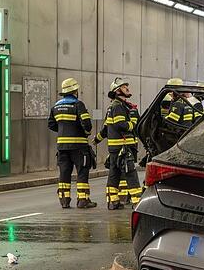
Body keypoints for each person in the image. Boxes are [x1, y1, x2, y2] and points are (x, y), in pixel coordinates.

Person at [94, 78, 143, 210]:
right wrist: (133, 123)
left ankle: (113, 201)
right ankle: (137, 202)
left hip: (115, 148)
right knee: (131, 173)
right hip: (122, 147)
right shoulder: (118, 106)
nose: (127, 88)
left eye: (127, 85)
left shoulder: (115, 106)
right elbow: (120, 124)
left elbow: (106, 129)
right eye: (124, 86)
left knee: (114, 173)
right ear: (117, 91)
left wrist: (96, 139)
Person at [48, 78, 97, 209]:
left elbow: (51, 125)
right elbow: (87, 124)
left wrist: (64, 131)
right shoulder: (78, 105)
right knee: (82, 171)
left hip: (62, 147)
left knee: (64, 172)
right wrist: (85, 132)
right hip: (79, 146)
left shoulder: (56, 107)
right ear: (75, 91)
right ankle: (83, 200)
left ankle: (64, 201)